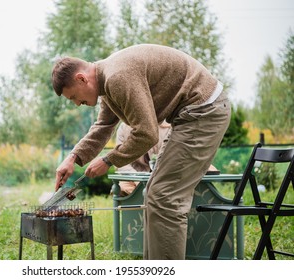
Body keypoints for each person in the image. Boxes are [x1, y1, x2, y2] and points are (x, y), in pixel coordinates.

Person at [51, 44, 231, 260]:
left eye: (73, 97)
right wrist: (73, 158)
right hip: (190, 115)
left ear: (81, 79)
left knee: (165, 197)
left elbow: (146, 134)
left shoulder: (117, 77)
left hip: (203, 110)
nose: (76, 104)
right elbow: (103, 126)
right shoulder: (107, 82)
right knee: (153, 194)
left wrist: (108, 160)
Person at [115, 121, 171, 196]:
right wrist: (138, 180)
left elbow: (169, 160)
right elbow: (120, 160)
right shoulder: (124, 127)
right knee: (123, 188)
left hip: (161, 176)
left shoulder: (168, 127)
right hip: (133, 175)